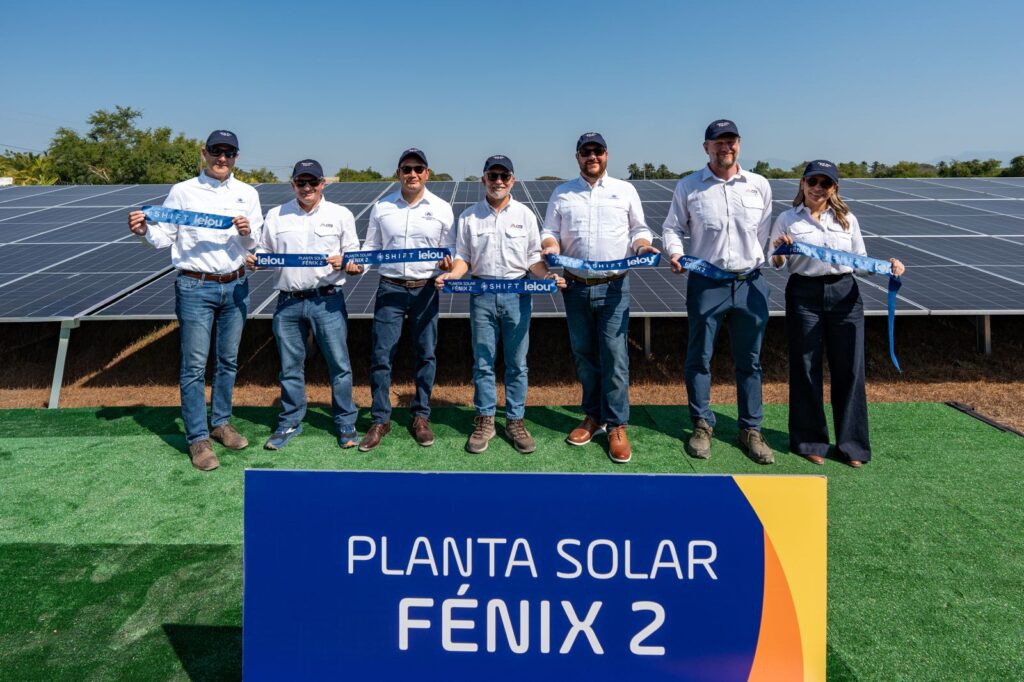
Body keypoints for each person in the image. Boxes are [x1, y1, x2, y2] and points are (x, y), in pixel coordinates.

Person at [127, 130, 263, 471]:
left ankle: (221, 423)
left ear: (236, 156)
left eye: (229, 153)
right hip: (195, 287)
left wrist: (247, 234)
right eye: (216, 151)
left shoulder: (248, 194)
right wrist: (144, 232)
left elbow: (254, 245)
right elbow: (164, 236)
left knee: (228, 361)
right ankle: (198, 438)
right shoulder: (182, 191)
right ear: (204, 153)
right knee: (194, 366)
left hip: (236, 285)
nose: (222, 158)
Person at [770, 160, 905, 468]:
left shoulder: (848, 220)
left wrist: (887, 267)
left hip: (845, 294)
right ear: (802, 183)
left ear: (834, 188)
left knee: (850, 369)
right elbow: (775, 264)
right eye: (812, 181)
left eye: (825, 183)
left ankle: (852, 446)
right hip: (804, 294)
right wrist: (779, 251)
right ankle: (810, 441)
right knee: (806, 367)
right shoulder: (787, 219)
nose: (818, 188)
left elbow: (859, 262)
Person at [662, 119, 775, 465]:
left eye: (731, 141)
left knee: (750, 360)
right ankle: (701, 424)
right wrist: (675, 253)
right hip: (707, 284)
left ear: (739, 144)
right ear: (706, 147)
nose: (726, 147)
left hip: (750, 284)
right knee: (699, 357)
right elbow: (672, 228)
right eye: (718, 142)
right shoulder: (689, 186)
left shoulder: (758, 186)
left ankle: (750, 429)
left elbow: (764, 235)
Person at [435, 155, 565, 454]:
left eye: (504, 176)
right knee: (483, 362)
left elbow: (533, 259)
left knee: (517, 363)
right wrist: (452, 276)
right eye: (492, 176)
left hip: (518, 295)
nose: (498, 181)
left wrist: (548, 277)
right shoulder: (468, 217)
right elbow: (463, 258)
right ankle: (485, 419)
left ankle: (515, 420)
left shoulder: (525, 215)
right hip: (481, 295)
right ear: (483, 179)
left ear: (512, 181)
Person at [541, 133, 656, 464]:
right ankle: (593, 417)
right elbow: (549, 231)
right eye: (586, 152)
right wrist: (550, 246)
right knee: (584, 355)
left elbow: (639, 230)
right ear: (577, 157)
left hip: (614, 287)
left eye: (598, 151)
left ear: (607, 154)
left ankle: (617, 424)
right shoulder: (562, 193)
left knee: (615, 356)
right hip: (575, 287)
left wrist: (642, 246)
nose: (592, 156)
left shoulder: (625, 190)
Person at [245, 159, 364, 451]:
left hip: (327, 301)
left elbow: (356, 256)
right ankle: (289, 421)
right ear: (293, 185)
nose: (307, 187)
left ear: (323, 184)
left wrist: (349, 262)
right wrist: (256, 260)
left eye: (313, 182)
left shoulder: (341, 215)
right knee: (289, 367)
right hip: (288, 302)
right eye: (301, 182)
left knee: (339, 365)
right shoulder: (276, 215)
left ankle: (345, 421)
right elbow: (265, 251)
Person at [358, 148, 455, 452]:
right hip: (390, 290)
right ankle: (380, 419)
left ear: (427, 173)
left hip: (425, 290)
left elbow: (450, 250)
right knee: (381, 355)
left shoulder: (442, 209)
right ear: (398, 173)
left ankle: (421, 416)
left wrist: (449, 263)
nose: (412, 174)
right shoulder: (382, 207)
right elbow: (370, 248)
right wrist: (356, 264)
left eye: (418, 169)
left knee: (425, 355)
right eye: (406, 169)